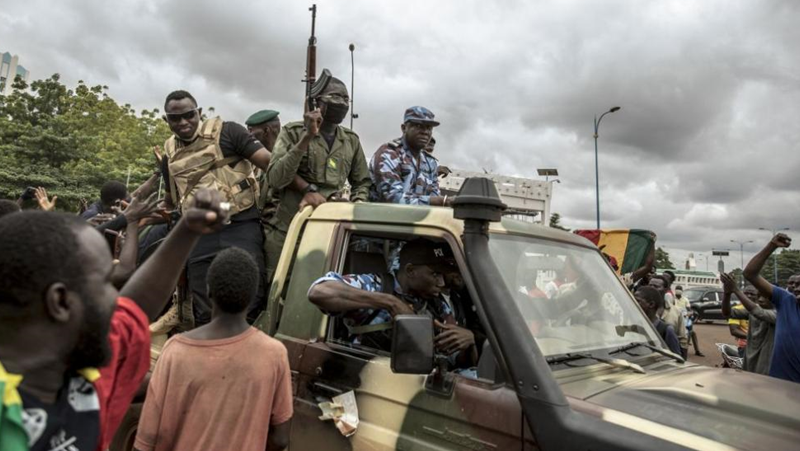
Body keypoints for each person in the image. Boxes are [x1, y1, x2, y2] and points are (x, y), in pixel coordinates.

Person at [0, 189, 227, 451]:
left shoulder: (77, 379)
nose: (116, 297)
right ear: (61, 302)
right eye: (106, 283)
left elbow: (135, 307)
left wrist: (189, 228)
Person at [134, 248, 292, 451]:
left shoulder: (176, 351)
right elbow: (280, 439)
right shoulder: (274, 353)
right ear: (253, 295)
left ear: (208, 291)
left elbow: (147, 438)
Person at [160, 90, 271, 326]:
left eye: (189, 115)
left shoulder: (229, 131)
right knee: (204, 304)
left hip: (240, 224)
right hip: (200, 234)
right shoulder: (168, 151)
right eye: (175, 118)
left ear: (199, 113)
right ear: (166, 120)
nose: (183, 122)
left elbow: (270, 164)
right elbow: (171, 198)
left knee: (251, 295)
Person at [266, 69, 371, 281]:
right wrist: (308, 136)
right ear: (317, 103)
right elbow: (276, 178)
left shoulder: (350, 140)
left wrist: (354, 207)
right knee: (279, 291)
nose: (341, 103)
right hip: (290, 232)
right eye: (335, 97)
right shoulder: (293, 132)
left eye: (345, 98)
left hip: (328, 234)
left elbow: (362, 183)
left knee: (320, 292)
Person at [308, 239, 477, 368]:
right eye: (435, 275)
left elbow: (455, 362)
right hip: (363, 376)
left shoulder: (437, 305)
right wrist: (390, 302)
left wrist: (469, 341)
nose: (441, 283)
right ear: (411, 271)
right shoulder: (376, 285)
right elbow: (319, 291)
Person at [743, 233, 800, 383]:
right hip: (778, 386)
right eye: (795, 285)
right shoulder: (787, 302)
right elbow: (750, 273)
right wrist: (772, 246)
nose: (797, 289)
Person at [369, 106, 454, 206]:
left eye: (429, 128)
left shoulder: (430, 162)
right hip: (381, 218)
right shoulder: (388, 154)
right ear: (404, 128)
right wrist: (444, 201)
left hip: (416, 219)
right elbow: (393, 198)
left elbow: (434, 195)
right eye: (418, 126)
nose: (425, 132)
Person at [720, 273, 776, 375]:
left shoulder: (778, 313)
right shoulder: (752, 311)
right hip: (750, 356)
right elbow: (726, 313)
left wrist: (736, 290)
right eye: (758, 296)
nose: (760, 299)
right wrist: (727, 293)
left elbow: (759, 313)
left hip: (767, 360)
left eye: (764, 297)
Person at [245, 109, 282, 223]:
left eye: (250, 130)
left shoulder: (285, 160)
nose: (247, 135)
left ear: (266, 131)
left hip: (276, 228)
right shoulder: (251, 161)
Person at [635, 285, 681, 355]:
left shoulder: (667, 330)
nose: (634, 304)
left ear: (651, 304)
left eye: (637, 301)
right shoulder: (635, 325)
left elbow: (676, 358)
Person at [649, 274, 688, 356]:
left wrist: (683, 361)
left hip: (669, 359)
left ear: (666, 289)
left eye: (656, 286)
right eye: (650, 285)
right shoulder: (641, 310)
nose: (651, 289)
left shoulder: (676, 312)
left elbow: (683, 340)